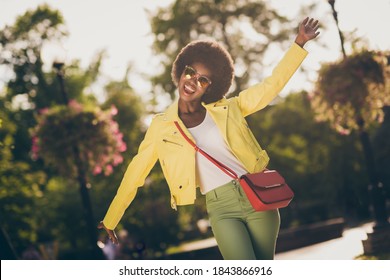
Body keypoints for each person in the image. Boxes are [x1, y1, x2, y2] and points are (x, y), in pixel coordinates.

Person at [98, 17, 320, 260]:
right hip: (221, 207)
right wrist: (112, 217)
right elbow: (136, 172)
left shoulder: (229, 108)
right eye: (190, 72)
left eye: (203, 79)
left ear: (211, 87)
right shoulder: (161, 126)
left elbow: (270, 87)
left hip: (257, 195)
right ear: (181, 72)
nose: (193, 81)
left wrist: (299, 43)